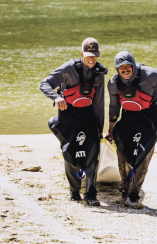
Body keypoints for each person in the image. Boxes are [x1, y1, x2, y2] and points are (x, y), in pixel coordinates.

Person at [106, 51, 157, 209]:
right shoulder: (114, 83)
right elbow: (114, 106)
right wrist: (111, 129)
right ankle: (125, 185)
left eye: (128, 66)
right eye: (121, 67)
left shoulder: (150, 76)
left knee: (144, 155)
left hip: (149, 119)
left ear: (133, 65)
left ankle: (134, 194)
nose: (125, 69)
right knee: (122, 152)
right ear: (117, 69)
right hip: (128, 118)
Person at [40, 37, 108, 206]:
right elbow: (44, 84)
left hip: (87, 116)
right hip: (67, 116)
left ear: (98, 54)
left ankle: (91, 193)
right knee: (70, 153)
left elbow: (99, 103)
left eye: (94, 55)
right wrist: (56, 97)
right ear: (81, 54)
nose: (91, 58)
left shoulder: (99, 74)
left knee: (92, 153)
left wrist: (100, 129)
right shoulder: (68, 68)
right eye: (88, 55)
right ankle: (74, 190)